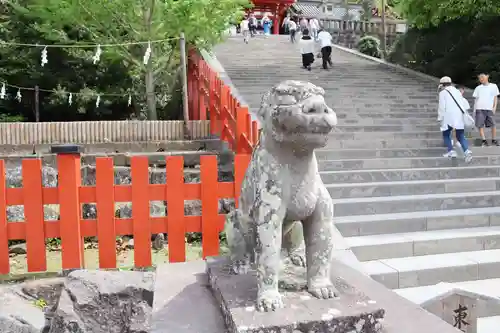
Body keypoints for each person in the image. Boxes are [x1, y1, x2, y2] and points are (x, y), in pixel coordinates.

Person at [437, 76, 472, 162]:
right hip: (459, 116)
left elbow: (442, 107)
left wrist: (440, 118)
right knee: (460, 135)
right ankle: (467, 151)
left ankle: (451, 151)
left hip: (448, 116)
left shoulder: (443, 93)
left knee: (446, 134)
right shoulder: (457, 92)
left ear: (442, 84)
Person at [473, 73, 499, 146]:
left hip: (489, 108)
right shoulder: (478, 88)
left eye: (482, 77)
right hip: (479, 108)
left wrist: (494, 107)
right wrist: (474, 110)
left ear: (487, 76)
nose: (481, 79)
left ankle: (493, 139)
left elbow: (495, 97)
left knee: (493, 124)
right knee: (480, 125)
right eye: (480, 78)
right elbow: (476, 99)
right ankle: (484, 140)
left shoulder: (493, 86)